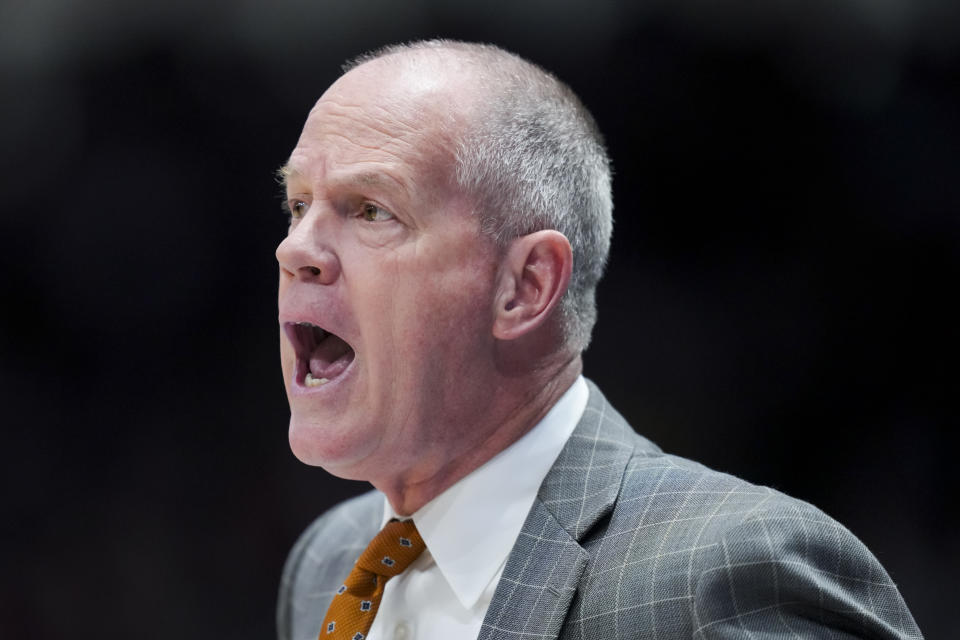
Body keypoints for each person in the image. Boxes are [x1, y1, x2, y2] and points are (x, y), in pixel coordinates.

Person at [274, 40, 921, 640]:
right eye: (299, 205)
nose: (294, 248)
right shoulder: (329, 560)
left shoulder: (727, 575)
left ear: (525, 286)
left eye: (371, 210)